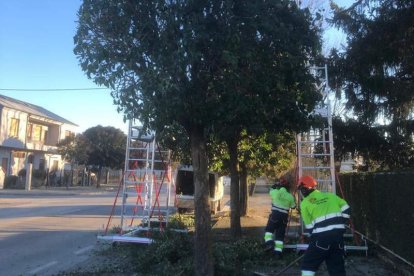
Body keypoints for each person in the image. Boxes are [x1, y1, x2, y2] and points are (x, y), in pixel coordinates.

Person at [297, 175, 351, 276]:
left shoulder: (305, 203)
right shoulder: (331, 196)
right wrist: (340, 221)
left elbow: (309, 227)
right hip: (338, 239)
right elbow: (347, 208)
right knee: (337, 269)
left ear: (304, 189)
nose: (301, 192)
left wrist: (314, 240)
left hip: (321, 240)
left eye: (301, 189)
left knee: (308, 265)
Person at [263, 177, 296, 258]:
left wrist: (274, 186)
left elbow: (270, 191)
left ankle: (269, 243)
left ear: (280, 186)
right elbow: (293, 206)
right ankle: (278, 253)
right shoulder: (290, 196)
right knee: (280, 235)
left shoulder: (275, 192)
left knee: (269, 231)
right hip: (284, 218)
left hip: (275, 215)